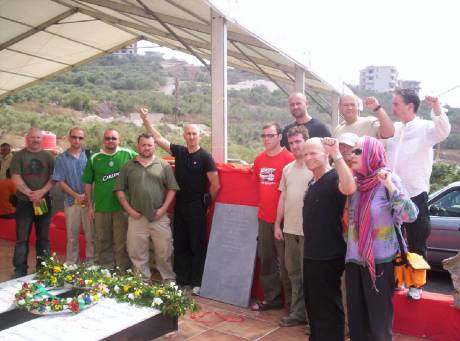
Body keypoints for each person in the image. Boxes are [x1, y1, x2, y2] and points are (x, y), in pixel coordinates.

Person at [140, 108, 220, 295]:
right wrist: (146, 120)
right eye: (188, 134)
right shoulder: (180, 152)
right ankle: (181, 280)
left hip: (197, 206)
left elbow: (215, 185)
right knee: (181, 243)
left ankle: (196, 282)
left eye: (194, 134)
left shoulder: (206, 157)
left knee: (196, 244)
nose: (191, 137)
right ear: (184, 136)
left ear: (199, 136)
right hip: (180, 204)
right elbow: (158, 139)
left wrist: (207, 203)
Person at [346, 136, 418, 341]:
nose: (353, 155)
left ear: (372, 153)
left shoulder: (388, 179)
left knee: (379, 323)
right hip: (354, 259)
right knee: (357, 322)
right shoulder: (355, 183)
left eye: (359, 151)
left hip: (381, 262)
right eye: (353, 151)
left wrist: (391, 187)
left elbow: (410, 215)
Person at [385, 90, 451, 300]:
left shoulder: (425, 128)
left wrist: (437, 108)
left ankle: (416, 284)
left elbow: (443, 131)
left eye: (396, 104)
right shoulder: (393, 128)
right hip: (390, 192)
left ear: (409, 106)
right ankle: (395, 279)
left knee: (416, 240)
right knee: (391, 239)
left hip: (414, 193)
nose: (393, 107)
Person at [302, 137, 356, 341]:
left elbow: (350, 188)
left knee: (328, 307)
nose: (308, 157)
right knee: (314, 305)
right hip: (312, 253)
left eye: (313, 153)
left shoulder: (334, 178)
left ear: (325, 154)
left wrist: (337, 155)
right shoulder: (313, 182)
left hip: (328, 254)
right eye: (305, 154)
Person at [114, 133, 179, 283]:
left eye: (149, 145)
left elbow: (172, 189)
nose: (146, 148)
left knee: (165, 251)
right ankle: (142, 282)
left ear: (154, 146)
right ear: (138, 146)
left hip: (159, 217)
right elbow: (119, 189)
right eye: (143, 145)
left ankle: (169, 281)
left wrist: (163, 209)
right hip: (137, 217)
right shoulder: (128, 166)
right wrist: (129, 210)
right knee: (137, 252)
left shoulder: (163, 166)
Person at [251, 122, 295, 311]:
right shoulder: (259, 159)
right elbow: (257, 187)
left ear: (279, 137)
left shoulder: (289, 158)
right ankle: (273, 299)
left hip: (285, 220)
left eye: (270, 135)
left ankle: (293, 304)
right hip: (264, 218)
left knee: (287, 264)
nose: (266, 139)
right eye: (263, 136)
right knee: (266, 258)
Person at [274, 126, 312, 328]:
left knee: (310, 277)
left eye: (298, 141)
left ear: (306, 140)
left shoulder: (316, 166)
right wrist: (277, 225)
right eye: (291, 143)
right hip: (289, 230)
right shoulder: (287, 169)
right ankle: (298, 313)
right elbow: (282, 197)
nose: (295, 146)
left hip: (309, 233)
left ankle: (313, 318)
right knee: (294, 274)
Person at [82, 129, 136, 271]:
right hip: (101, 207)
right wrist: (89, 206)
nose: (110, 141)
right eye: (107, 138)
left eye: (113, 138)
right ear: (103, 140)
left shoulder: (128, 154)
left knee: (121, 242)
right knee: (103, 241)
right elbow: (87, 183)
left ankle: (122, 271)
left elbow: (145, 160)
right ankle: (107, 270)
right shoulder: (94, 158)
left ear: (119, 139)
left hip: (122, 208)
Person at [10, 128, 55, 278]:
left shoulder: (48, 157)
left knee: (43, 237)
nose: (35, 140)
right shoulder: (18, 156)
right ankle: (20, 270)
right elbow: (15, 177)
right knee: (22, 238)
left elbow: (53, 178)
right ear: (27, 139)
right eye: (32, 137)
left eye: (38, 137)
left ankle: (44, 269)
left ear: (41, 139)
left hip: (43, 202)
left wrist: (40, 193)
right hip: (24, 203)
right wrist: (30, 194)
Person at [52, 128, 95, 264]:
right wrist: (76, 195)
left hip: (89, 202)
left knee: (91, 235)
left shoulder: (90, 156)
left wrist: (86, 195)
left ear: (83, 139)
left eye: (80, 138)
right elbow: (60, 181)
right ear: (69, 138)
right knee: (72, 236)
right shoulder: (61, 158)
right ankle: (72, 264)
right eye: (74, 137)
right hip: (71, 202)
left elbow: (95, 178)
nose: (77, 140)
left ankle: (91, 264)